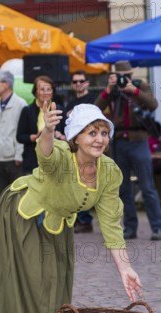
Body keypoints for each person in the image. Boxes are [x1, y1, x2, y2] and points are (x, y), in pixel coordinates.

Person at [0, 102, 142, 313]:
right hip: (26, 213)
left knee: (58, 284)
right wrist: (47, 129)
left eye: (103, 133)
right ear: (75, 137)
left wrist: (125, 269)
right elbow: (45, 154)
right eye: (91, 133)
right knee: (38, 284)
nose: (99, 139)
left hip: (58, 221)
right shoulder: (63, 154)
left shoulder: (109, 171)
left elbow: (111, 224)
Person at [95, 60, 161, 241]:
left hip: (139, 141)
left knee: (147, 186)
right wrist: (108, 90)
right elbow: (96, 108)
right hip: (119, 142)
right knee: (123, 188)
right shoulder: (113, 90)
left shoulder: (140, 86)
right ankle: (130, 227)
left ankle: (157, 228)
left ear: (132, 75)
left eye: (126, 76)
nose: (124, 79)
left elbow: (153, 104)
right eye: (120, 77)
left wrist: (133, 91)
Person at [64, 70, 98, 234]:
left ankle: (86, 220)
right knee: (75, 185)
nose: (78, 84)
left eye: (81, 81)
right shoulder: (70, 102)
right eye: (75, 82)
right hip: (74, 150)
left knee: (86, 185)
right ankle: (80, 220)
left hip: (90, 151)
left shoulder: (93, 101)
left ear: (87, 83)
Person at [0, 70, 27, 197]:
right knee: (3, 196)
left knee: (17, 197)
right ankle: (4, 218)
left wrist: (19, 155)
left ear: (6, 84)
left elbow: (22, 130)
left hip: (13, 159)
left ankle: (16, 218)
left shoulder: (20, 104)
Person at [16, 75, 65, 175]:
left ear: (53, 92)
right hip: (32, 161)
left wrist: (60, 136)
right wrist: (34, 137)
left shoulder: (60, 110)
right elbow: (19, 136)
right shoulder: (27, 110)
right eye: (42, 89)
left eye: (48, 89)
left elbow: (68, 135)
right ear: (35, 92)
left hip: (56, 161)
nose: (46, 92)